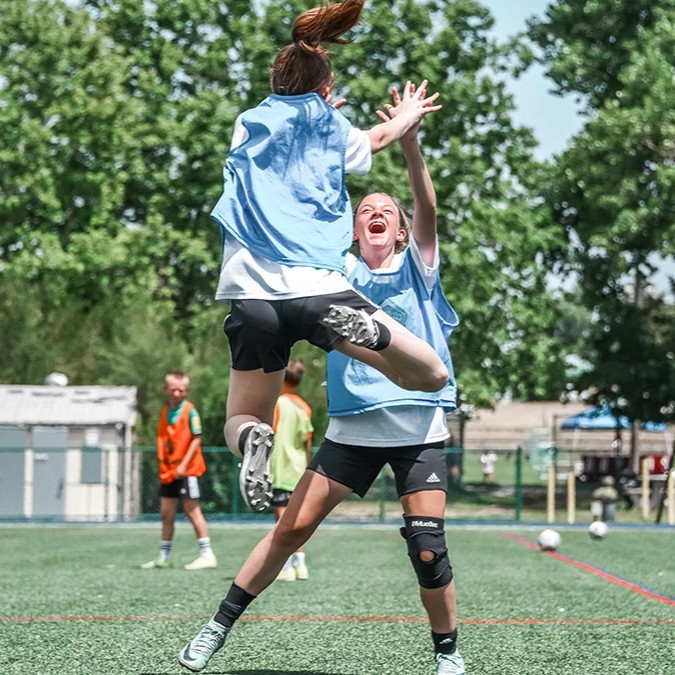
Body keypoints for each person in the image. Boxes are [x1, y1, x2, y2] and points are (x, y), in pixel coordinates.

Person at [178, 87, 466, 675]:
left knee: (427, 544)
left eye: (385, 209)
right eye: (364, 209)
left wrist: (409, 142)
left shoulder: (420, 265)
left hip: (417, 428)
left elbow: (427, 205)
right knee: (289, 532)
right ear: (352, 232)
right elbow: (307, 206)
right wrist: (314, 137)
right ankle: (216, 628)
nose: (375, 211)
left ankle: (448, 654)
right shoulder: (335, 274)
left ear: (403, 230)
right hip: (353, 430)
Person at [209, 0, 448, 515]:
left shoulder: (248, 122)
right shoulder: (331, 130)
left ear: (277, 84)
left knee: (243, 415)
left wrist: (313, 114)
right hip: (319, 291)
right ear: (325, 91)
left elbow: (287, 130)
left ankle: (253, 439)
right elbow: (379, 138)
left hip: (251, 296)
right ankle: (376, 333)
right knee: (429, 375)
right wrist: (406, 114)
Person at [141, 372, 217, 571]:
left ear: (187, 391)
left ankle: (207, 554)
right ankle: (164, 556)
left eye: (181, 390)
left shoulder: (191, 411)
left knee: (192, 511)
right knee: (167, 513)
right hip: (169, 471)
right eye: (173, 389)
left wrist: (184, 464)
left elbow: (196, 438)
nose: (177, 393)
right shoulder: (166, 411)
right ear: (165, 389)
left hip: (187, 470)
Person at [270, 359, 313, 582]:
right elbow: (307, 440)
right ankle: (301, 565)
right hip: (298, 469)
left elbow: (271, 432)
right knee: (297, 520)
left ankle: (285, 567)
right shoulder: (304, 407)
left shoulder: (278, 404)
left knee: (282, 519)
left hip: (280, 469)